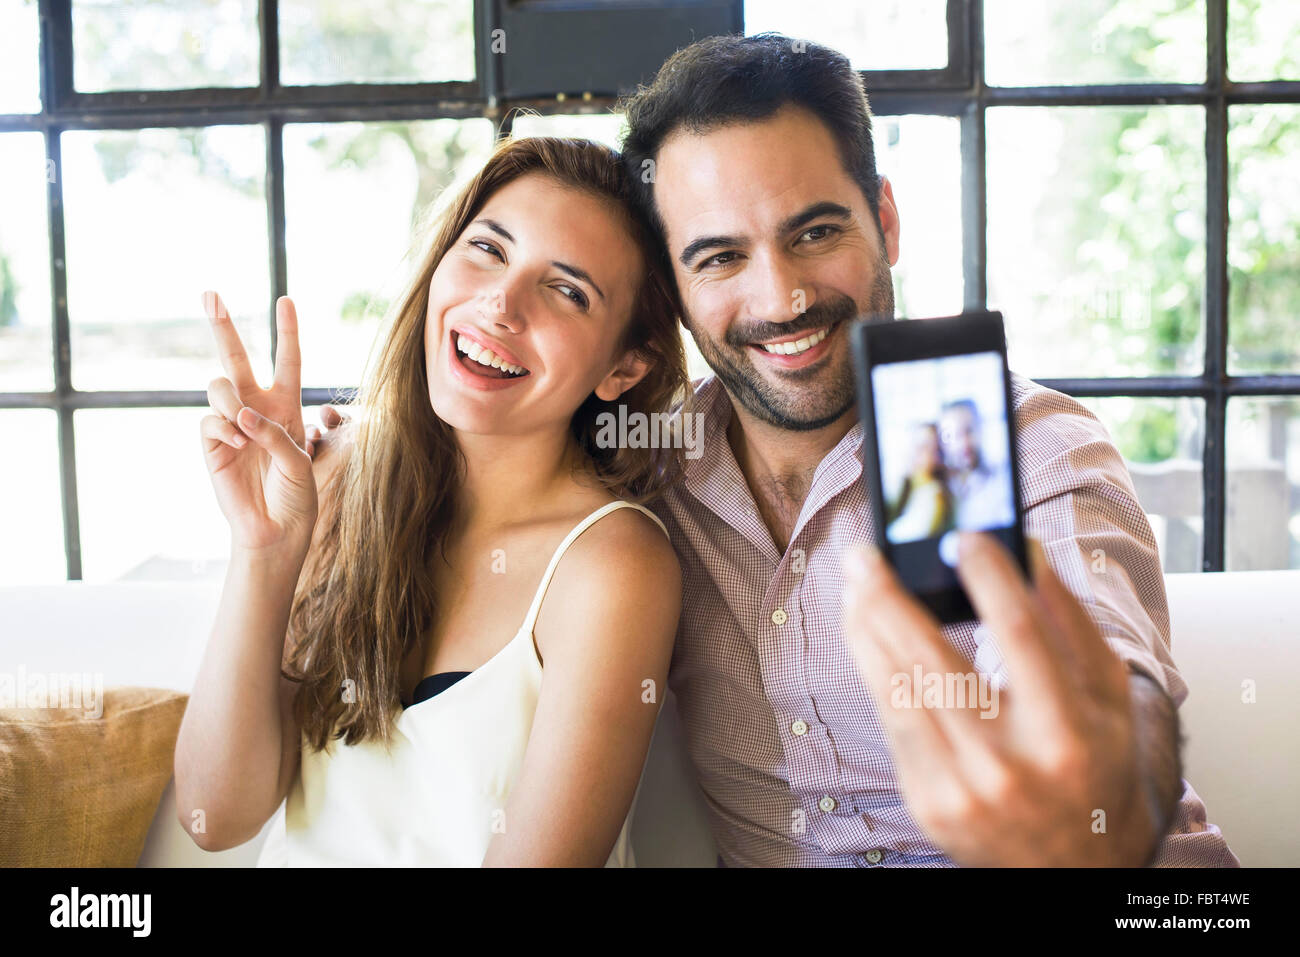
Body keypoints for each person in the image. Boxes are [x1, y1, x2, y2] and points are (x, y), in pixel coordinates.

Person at [312, 36, 1239, 868]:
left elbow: (1116, 695)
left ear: (886, 217)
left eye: (816, 232)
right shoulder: (652, 473)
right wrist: (358, 449)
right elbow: (505, 439)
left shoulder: (1026, 447)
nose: (783, 296)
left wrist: (1090, 794)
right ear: (672, 292)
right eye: (719, 257)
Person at [173, 136, 688, 866]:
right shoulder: (340, 477)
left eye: (567, 290)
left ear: (624, 366)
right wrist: (264, 549)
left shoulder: (612, 563)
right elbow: (215, 816)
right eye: (487, 249)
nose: (500, 304)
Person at [937, 398, 1015, 532]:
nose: (963, 443)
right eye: (951, 435)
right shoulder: (940, 489)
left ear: (981, 429)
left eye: (969, 431)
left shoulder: (1003, 477)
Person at [885, 422, 954, 542]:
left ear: (938, 456)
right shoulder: (908, 487)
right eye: (912, 444)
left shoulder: (934, 495)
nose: (913, 451)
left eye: (923, 447)